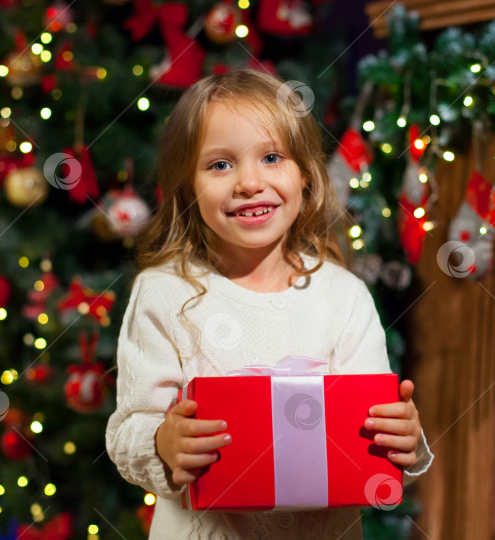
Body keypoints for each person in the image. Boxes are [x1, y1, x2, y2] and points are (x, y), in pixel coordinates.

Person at [106, 68, 434, 539]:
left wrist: (406, 441)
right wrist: (161, 443)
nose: (248, 182)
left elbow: (376, 437)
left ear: (305, 176)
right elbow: (128, 431)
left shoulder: (342, 296)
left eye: (272, 157)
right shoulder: (163, 293)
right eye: (220, 165)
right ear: (187, 186)